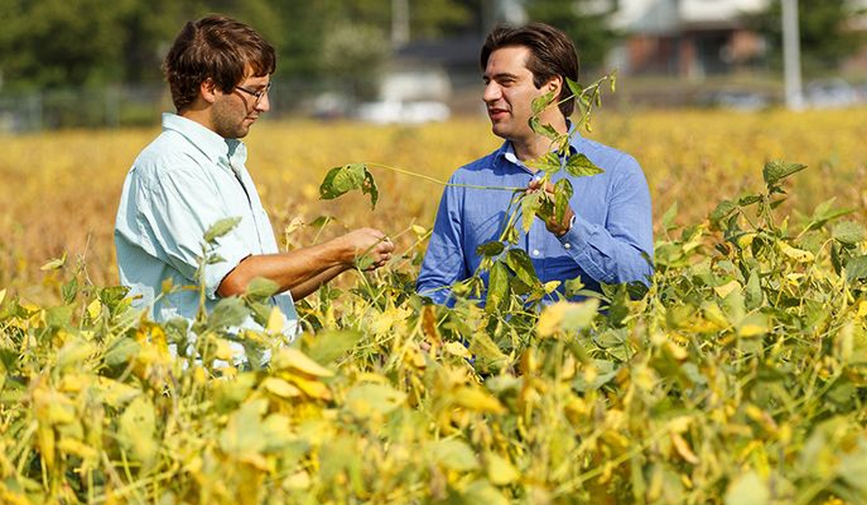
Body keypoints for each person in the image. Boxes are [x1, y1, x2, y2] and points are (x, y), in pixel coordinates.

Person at [114, 15, 394, 338]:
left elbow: (267, 291)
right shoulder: (172, 166)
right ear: (210, 88)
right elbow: (238, 281)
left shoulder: (223, 162)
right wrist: (339, 250)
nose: (265, 106)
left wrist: (345, 262)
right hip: (203, 380)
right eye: (255, 92)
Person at [416, 23, 653, 305]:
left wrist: (570, 229)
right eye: (487, 81)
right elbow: (437, 288)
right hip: (495, 349)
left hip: (585, 348)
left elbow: (639, 280)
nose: (489, 94)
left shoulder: (617, 172)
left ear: (551, 88)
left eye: (506, 81)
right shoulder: (466, 182)